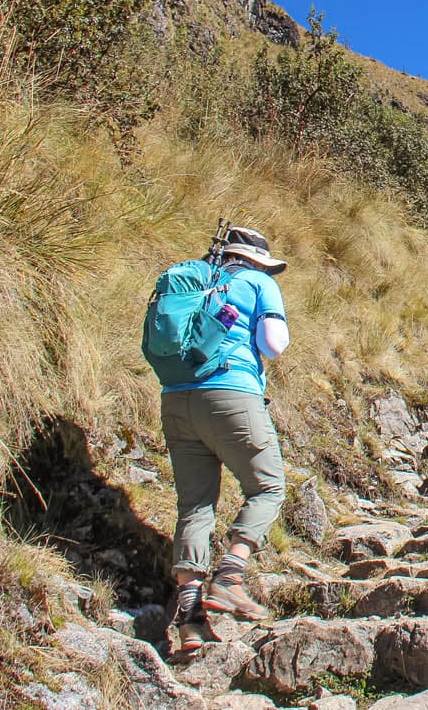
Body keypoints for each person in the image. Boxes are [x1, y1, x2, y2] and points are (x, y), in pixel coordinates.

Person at [161, 226, 290, 651]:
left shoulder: (193, 279)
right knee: (268, 485)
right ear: (256, 260)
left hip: (176, 401)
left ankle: (190, 621)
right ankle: (231, 575)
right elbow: (273, 344)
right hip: (232, 393)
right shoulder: (258, 282)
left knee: (194, 506)